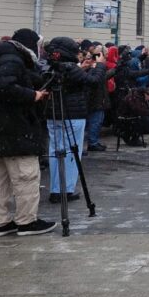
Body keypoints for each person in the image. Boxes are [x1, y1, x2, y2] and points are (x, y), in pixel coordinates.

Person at [0, 28, 56, 236]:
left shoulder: (1, 59)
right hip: (14, 129)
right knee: (26, 177)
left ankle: (0, 222)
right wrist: (33, 95)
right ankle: (26, 221)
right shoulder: (12, 60)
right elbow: (5, 87)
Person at [42, 36, 108, 203]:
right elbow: (93, 82)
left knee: (56, 152)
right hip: (73, 114)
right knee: (71, 153)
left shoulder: (51, 66)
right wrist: (100, 65)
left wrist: (83, 68)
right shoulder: (70, 67)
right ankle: (66, 189)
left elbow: (74, 80)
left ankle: (56, 188)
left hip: (54, 113)